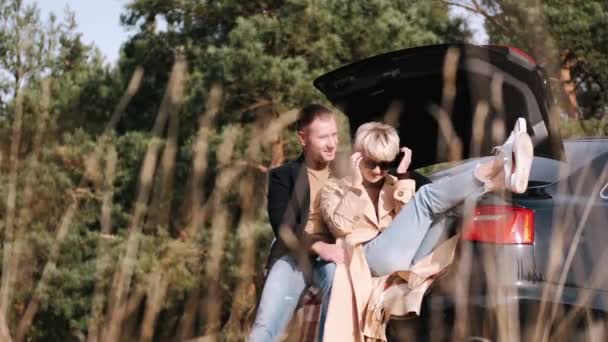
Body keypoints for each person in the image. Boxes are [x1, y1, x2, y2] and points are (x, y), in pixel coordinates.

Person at [320, 119, 534, 341]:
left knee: (450, 208)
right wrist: (355, 187)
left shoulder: (393, 183)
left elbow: (411, 224)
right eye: (371, 163)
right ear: (357, 158)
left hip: (407, 263)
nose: (378, 171)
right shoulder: (335, 188)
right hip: (367, 262)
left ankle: (497, 179)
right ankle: (498, 164)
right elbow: (339, 227)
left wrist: (403, 177)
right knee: (425, 198)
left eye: (385, 164)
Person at [248, 104, 344, 342]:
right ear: (303, 138)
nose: (332, 143)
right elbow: (283, 228)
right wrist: (319, 247)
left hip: (334, 258)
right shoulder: (282, 176)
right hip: (293, 256)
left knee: (336, 283)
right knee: (265, 324)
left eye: (334, 134)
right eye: (323, 137)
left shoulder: (347, 169)